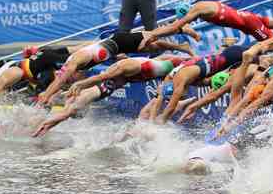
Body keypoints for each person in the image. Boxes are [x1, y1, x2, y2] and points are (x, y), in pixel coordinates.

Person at [32, 55, 187, 137]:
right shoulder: (125, 67)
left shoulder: (158, 63)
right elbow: (100, 78)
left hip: (109, 84)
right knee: (69, 110)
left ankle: (42, 122)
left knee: (70, 109)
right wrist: (81, 84)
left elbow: (165, 55)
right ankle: (41, 124)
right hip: (107, 84)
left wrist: (186, 51)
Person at [36, 31, 194, 106]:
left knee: (152, 39)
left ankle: (181, 32)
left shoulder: (72, 64)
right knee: (151, 46)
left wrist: (46, 96)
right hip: (116, 46)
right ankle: (181, 43)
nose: (68, 80)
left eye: (67, 78)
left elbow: (59, 81)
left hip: (120, 41)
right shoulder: (75, 61)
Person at [140, 0, 273, 47]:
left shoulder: (197, 10)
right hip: (248, 17)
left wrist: (152, 33)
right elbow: (183, 27)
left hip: (250, 24)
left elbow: (176, 26)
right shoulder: (203, 4)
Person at [152, 45, 249, 124]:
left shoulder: (180, 81)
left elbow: (170, 108)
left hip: (233, 56)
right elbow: (157, 101)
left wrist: (160, 122)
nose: (183, 95)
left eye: (180, 96)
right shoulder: (171, 78)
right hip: (225, 56)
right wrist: (152, 120)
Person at [0, 44, 89, 104]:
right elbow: (80, 47)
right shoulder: (56, 59)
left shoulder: (59, 63)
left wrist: (99, 43)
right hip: (16, 69)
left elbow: (80, 47)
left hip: (29, 73)